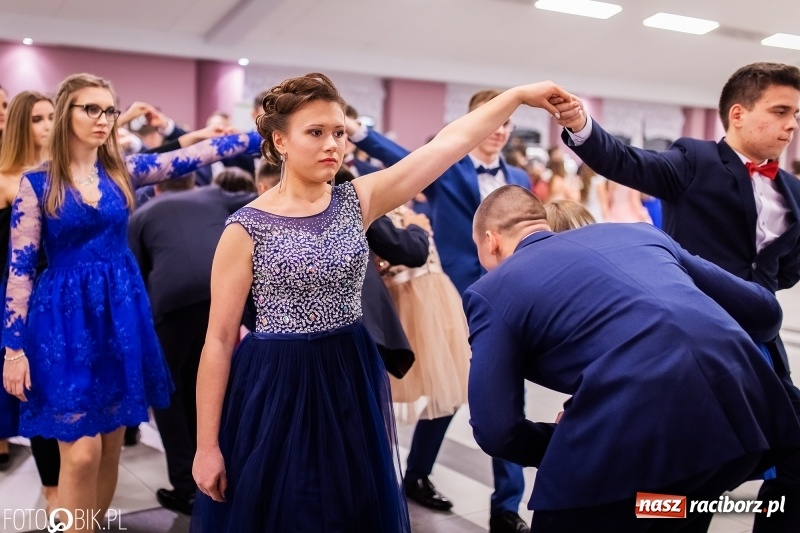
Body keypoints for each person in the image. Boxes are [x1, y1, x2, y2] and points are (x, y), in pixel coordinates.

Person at [189, 73, 572, 533]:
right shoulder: (244, 228)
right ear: (279, 140)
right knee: (285, 506)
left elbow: (445, 147)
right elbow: (217, 340)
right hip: (276, 379)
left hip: (349, 368)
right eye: (316, 132)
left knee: (348, 506)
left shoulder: (356, 200)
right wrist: (206, 444)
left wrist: (516, 96)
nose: (333, 144)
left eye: (338, 133)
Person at [1, 72, 261, 533]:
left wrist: (268, 131)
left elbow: (192, 156)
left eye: (109, 110)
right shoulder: (36, 184)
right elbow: (20, 271)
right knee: (80, 454)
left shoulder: (122, 169)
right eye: (91, 109)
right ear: (67, 113)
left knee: (110, 443)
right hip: (62, 320)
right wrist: (13, 348)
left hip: (121, 313)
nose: (103, 119)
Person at [467, 185, 800, 532]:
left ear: (491, 241)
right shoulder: (640, 235)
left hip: (633, 438)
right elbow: (763, 312)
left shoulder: (492, 290)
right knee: (669, 512)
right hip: (739, 416)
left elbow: (496, 430)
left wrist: (558, 443)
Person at [554, 62, 800, 532]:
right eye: (781, 110)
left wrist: (758, 291)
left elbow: (785, 267)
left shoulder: (792, 191)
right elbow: (626, 161)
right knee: (688, 481)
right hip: (691, 344)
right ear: (739, 113)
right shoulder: (695, 161)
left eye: (797, 114)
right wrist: (579, 125)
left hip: (759, 344)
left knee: (788, 454)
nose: (793, 123)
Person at [349, 89, 535, 533]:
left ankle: (506, 506)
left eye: (507, 123)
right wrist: (358, 132)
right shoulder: (446, 168)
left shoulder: (520, 181)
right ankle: (416, 474)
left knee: (510, 394)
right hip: (452, 296)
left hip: (507, 298)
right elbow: (399, 156)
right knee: (447, 393)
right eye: (493, 121)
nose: (500, 130)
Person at [128, 170, 257, 516]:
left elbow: (137, 275)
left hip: (172, 301)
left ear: (156, 188)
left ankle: (187, 488)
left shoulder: (141, 215)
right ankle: (227, 468)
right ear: (193, 183)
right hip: (222, 290)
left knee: (169, 391)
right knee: (214, 379)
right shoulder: (216, 195)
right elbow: (262, 200)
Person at [0, 91, 62, 512]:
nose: (47, 125)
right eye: (39, 118)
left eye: (52, 117)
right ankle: (55, 496)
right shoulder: (6, 178)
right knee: (36, 396)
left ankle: (72, 501)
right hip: (19, 298)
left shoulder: (63, 175)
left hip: (61, 297)